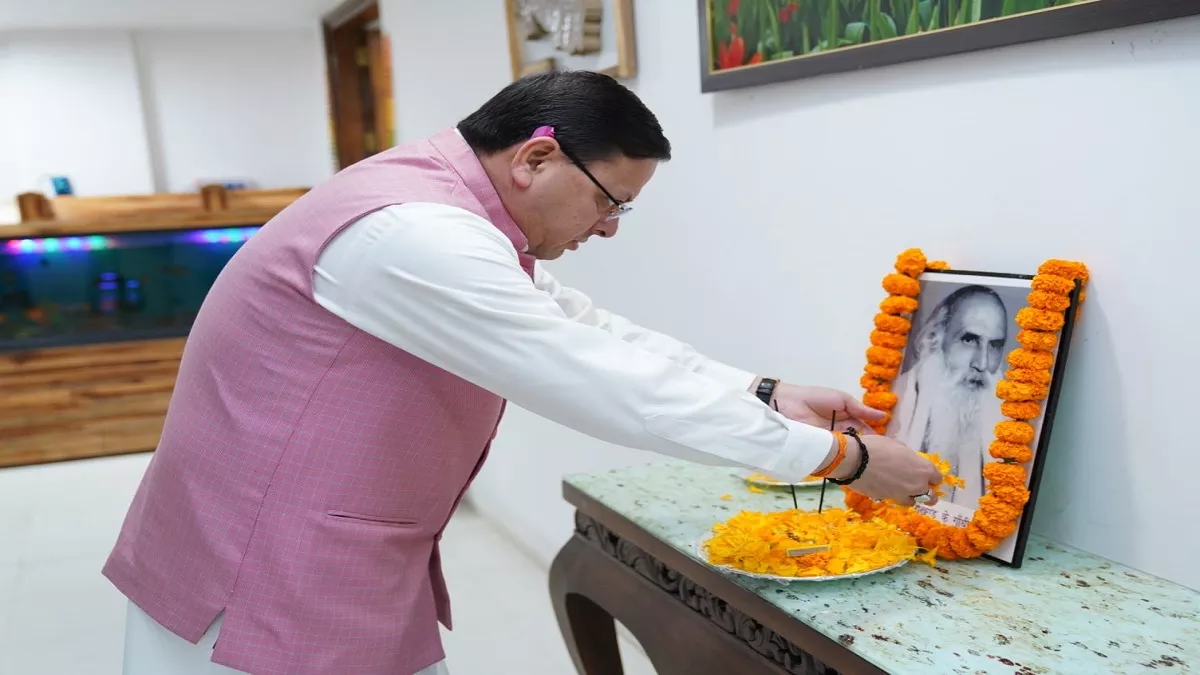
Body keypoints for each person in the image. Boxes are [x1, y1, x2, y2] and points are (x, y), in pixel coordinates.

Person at [103, 71, 941, 675]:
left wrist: (765, 392)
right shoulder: (414, 235)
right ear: (536, 158)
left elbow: (582, 328)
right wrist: (843, 459)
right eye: (610, 200)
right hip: (260, 568)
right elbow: (593, 378)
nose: (610, 228)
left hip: (320, 546)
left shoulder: (443, 209)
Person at [891, 284, 1009, 507]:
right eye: (969, 340)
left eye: (994, 345)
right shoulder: (892, 400)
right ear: (936, 338)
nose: (982, 363)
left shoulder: (1014, 424)